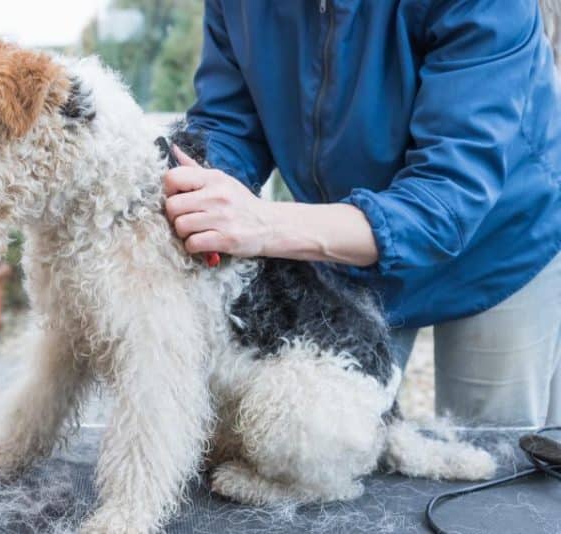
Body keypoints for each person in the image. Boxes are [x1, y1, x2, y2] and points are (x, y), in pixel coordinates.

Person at [163, 1, 561, 427]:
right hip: (341, 238)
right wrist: (183, 189)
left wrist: (263, 224)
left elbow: (445, 202)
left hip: (500, 243)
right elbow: (230, 123)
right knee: (332, 438)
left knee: (488, 454)